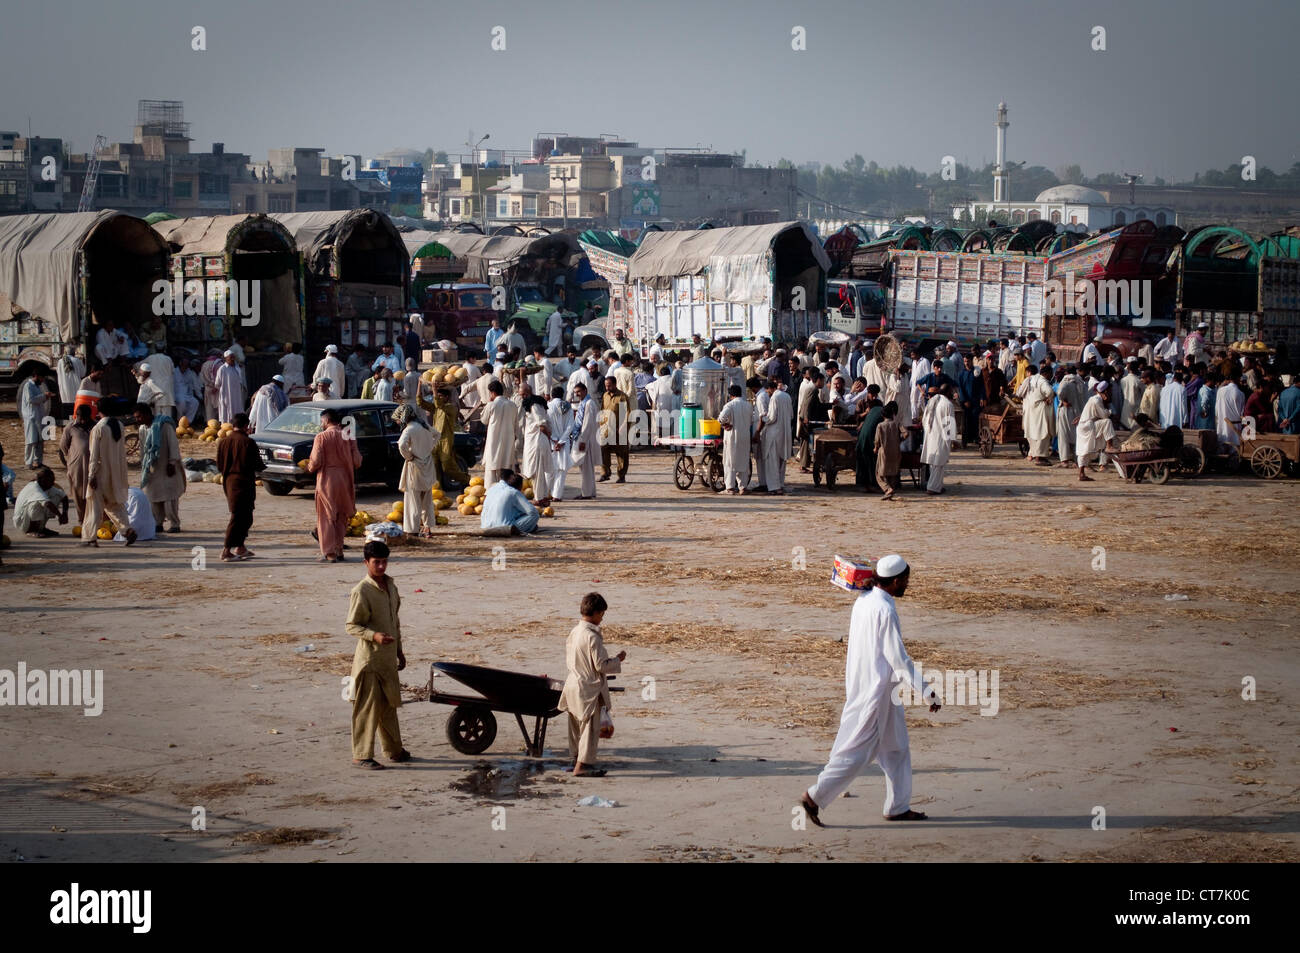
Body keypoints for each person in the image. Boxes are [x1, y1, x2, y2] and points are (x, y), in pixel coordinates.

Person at [800, 555, 939, 827]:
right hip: (875, 694)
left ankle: (898, 807)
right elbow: (898, 658)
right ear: (896, 581)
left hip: (876, 688)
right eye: (906, 581)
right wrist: (926, 691)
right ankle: (814, 796)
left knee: (896, 748)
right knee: (858, 752)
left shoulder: (864, 600)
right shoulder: (885, 610)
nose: (907, 586)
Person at [346, 540, 409, 770]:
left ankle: (394, 750)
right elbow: (352, 626)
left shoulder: (391, 587)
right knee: (367, 708)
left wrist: (400, 651)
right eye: (376, 563)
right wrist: (375, 636)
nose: (381, 567)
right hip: (370, 661)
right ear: (366, 563)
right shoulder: (361, 591)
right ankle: (361, 755)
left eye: (384, 562)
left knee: (388, 706)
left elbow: (396, 622)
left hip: (387, 660)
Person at [558, 592, 626, 778]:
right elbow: (601, 665)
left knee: (575, 727)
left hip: (572, 684)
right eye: (602, 614)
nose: (602, 618)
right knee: (589, 729)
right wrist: (617, 659)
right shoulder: (592, 637)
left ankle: (575, 760)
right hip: (588, 687)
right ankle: (582, 766)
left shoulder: (575, 631)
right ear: (596, 613)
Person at [308, 407, 363, 563]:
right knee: (341, 516)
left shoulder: (321, 437)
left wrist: (309, 467)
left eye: (322, 421)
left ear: (326, 420)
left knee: (326, 517)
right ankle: (339, 549)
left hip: (327, 479)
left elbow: (316, 461)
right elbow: (357, 461)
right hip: (345, 479)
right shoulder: (349, 436)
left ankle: (329, 552)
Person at [82, 404, 136, 547]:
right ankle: (127, 530)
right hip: (116, 473)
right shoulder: (118, 425)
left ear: (99, 412)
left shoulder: (98, 428)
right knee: (114, 504)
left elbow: (94, 455)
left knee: (94, 505)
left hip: (100, 473)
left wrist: (91, 476)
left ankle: (90, 538)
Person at [216, 412, 264, 562]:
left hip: (229, 481)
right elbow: (257, 464)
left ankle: (240, 547)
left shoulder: (223, 441)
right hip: (243, 482)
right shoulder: (247, 442)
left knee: (246, 515)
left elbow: (219, 465)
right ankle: (226, 550)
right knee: (237, 516)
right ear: (246, 426)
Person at [135, 403, 185, 534]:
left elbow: (173, 444)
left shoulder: (164, 425)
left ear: (147, 414)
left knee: (170, 496)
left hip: (167, 465)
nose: (137, 419)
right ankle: (157, 523)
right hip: (152, 467)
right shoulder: (142, 429)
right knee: (152, 496)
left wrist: (172, 463)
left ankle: (175, 524)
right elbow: (143, 450)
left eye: (139, 417)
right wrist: (144, 465)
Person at [395, 404, 437, 538]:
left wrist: (409, 456)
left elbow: (401, 445)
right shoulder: (424, 426)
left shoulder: (409, 429)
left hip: (415, 465)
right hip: (428, 464)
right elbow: (437, 434)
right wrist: (430, 448)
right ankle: (427, 528)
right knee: (427, 499)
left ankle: (412, 530)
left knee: (413, 499)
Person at [58, 404, 94, 524]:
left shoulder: (95, 426)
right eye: (79, 416)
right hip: (76, 466)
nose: (81, 419)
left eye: (84, 417)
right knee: (78, 493)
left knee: (93, 493)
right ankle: (81, 519)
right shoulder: (70, 427)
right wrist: (73, 457)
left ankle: (93, 519)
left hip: (93, 466)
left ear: (89, 416)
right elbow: (63, 446)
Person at [1075, 382, 1119, 481]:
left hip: (1084, 427)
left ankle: (1081, 474)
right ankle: (1109, 446)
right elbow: (1104, 415)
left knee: (1083, 451)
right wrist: (1110, 412)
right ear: (1106, 391)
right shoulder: (1097, 400)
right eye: (1110, 391)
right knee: (1107, 422)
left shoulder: (1093, 399)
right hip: (1087, 427)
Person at [480, 379, 518, 488]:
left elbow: (484, 420)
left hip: (494, 441)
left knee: (491, 470)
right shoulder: (512, 405)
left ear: (492, 392)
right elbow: (516, 424)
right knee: (506, 468)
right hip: (508, 441)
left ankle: (490, 492)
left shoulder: (491, 405)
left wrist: (489, 402)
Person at [758, 377, 793, 495]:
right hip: (785, 432)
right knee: (781, 460)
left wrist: (763, 418)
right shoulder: (786, 396)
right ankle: (780, 484)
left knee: (772, 461)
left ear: (770, 389)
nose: (767, 393)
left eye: (767, 391)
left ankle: (774, 487)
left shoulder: (774, 397)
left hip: (774, 433)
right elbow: (791, 415)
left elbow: (772, 418)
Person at [480, 469, 541, 536]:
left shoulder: (491, 489)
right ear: (511, 477)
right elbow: (533, 512)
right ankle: (521, 529)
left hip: (485, 526)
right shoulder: (513, 492)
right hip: (503, 528)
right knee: (534, 515)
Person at [717, 384, 753, 494]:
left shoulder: (730, 405)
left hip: (732, 436)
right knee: (743, 461)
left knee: (729, 462)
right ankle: (743, 487)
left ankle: (730, 487)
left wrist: (725, 424)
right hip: (745, 436)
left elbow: (721, 419)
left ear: (731, 395)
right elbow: (751, 421)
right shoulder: (748, 405)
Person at [12, 466, 68, 537]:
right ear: (43, 481)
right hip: (22, 522)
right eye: (51, 481)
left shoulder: (47, 487)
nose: (53, 483)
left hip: (28, 518)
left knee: (56, 496)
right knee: (37, 503)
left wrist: (65, 513)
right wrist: (60, 516)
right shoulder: (34, 488)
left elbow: (64, 497)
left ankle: (41, 528)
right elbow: (48, 504)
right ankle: (31, 530)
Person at [1016, 365, 1056, 465]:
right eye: (1050, 374)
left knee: (1033, 433)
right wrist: (1049, 397)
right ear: (1047, 373)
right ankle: (1040, 457)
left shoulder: (1030, 379)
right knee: (1043, 433)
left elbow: (1019, 393)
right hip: (1040, 410)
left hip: (1030, 410)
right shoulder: (1042, 381)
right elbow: (1050, 392)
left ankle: (1034, 454)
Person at [521, 396, 555, 505]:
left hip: (537, 442)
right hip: (536, 441)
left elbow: (542, 424)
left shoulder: (535, 406)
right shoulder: (539, 407)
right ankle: (543, 496)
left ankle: (539, 498)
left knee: (538, 471)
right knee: (538, 471)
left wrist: (549, 435)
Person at [568, 381, 599, 500]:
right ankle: (589, 491)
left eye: (579, 392)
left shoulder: (589, 403)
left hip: (586, 439)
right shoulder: (583, 403)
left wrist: (583, 440)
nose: (577, 394)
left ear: (585, 391)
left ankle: (587, 493)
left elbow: (587, 423)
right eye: (575, 393)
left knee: (586, 467)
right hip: (582, 437)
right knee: (586, 467)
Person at [598, 375, 631, 484]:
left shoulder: (622, 397)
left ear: (615, 384)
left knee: (621, 454)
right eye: (606, 386)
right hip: (606, 430)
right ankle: (605, 473)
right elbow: (602, 410)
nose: (607, 388)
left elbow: (628, 413)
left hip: (619, 431)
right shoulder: (605, 395)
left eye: (609, 386)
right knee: (603, 451)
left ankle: (621, 476)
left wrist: (623, 427)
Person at [1054, 365, 1087, 469]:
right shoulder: (1080, 382)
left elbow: (1060, 393)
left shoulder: (1066, 381)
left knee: (1063, 435)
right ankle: (1077, 460)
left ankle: (1064, 460)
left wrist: (1063, 400)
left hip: (1066, 411)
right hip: (1078, 412)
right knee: (1076, 436)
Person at [546, 385, 574, 502]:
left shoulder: (547, 406)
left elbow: (546, 425)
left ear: (552, 395)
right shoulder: (568, 407)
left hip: (550, 442)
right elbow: (570, 426)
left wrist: (554, 439)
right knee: (561, 470)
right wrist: (561, 441)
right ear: (562, 395)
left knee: (548, 469)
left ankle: (545, 493)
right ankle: (557, 495)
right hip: (564, 443)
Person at [19, 368, 50, 469]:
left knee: (39, 440)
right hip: (31, 417)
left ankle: (38, 461)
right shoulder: (28, 385)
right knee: (31, 440)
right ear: (36, 376)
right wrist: (43, 396)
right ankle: (28, 462)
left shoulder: (37, 387)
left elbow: (39, 400)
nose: (42, 380)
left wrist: (46, 397)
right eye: (41, 378)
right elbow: (31, 400)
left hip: (38, 416)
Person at [854, 398, 885, 491]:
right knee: (872, 462)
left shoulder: (871, 412)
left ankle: (861, 484)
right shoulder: (881, 412)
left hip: (861, 439)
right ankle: (873, 484)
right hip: (870, 439)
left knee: (862, 461)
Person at [875, 401, 902, 500]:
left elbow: (877, 440)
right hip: (896, 450)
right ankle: (890, 494)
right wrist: (899, 440)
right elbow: (906, 433)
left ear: (883, 415)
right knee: (892, 473)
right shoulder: (897, 423)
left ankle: (887, 489)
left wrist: (875, 448)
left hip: (884, 451)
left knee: (879, 473)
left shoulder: (880, 425)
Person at [56, 349, 85, 423]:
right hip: (75, 388)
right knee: (75, 408)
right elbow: (83, 374)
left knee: (66, 409)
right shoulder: (77, 360)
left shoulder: (60, 362)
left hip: (64, 389)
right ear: (74, 353)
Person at [214, 350, 244, 422]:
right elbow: (217, 384)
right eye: (231, 357)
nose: (233, 359)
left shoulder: (237, 368)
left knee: (237, 410)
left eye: (233, 357)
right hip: (226, 395)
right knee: (226, 412)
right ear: (226, 358)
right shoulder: (222, 369)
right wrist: (225, 390)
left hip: (236, 395)